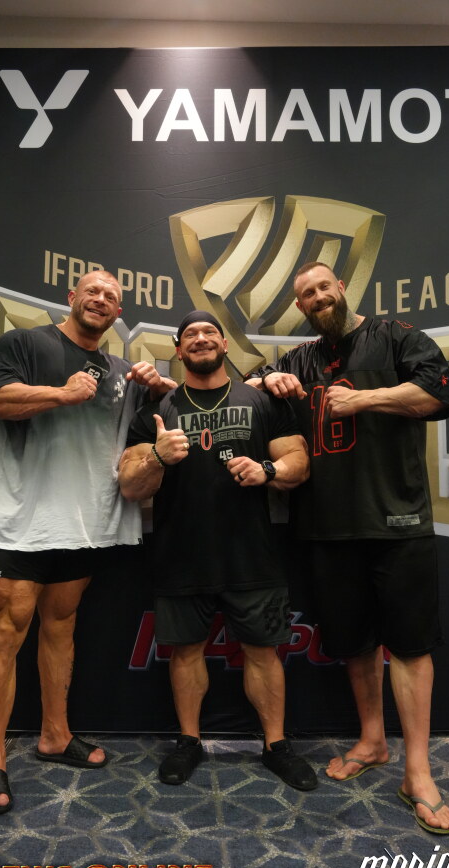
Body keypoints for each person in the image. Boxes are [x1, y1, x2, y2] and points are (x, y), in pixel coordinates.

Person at [247, 261, 449, 834]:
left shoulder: (396, 336)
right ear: (301, 307)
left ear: (341, 287)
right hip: (326, 526)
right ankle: (372, 741)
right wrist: (268, 382)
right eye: (306, 295)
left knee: (410, 647)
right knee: (355, 644)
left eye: (323, 287)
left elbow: (437, 392)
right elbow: (248, 385)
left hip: (398, 520)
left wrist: (364, 400)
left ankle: (418, 771)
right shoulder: (300, 359)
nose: (317, 297)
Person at [0, 270, 175, 814]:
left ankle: (55, 735)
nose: (101, 299)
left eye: (111, 296)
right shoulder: (25, 342)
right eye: (92, 291)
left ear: (118, 312)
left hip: (81, 524)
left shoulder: (119, 371)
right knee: (6, 634)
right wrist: (62, 394)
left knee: (61, 628)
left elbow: (148, 430)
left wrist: (156, 389)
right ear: (72, 297)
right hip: (20, 523)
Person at [118, 310, 317, 791]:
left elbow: (299, 462)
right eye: (190, 335)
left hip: (252, 554)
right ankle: (189, 742)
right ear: (178, 350)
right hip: (181, 553)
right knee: (186, 653)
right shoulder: (159, 409)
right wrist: (158, 456)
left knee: (264, 653)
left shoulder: (260, 399)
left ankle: (276, 745)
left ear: (225, 345)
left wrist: (268, 471)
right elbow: (129, 484)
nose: (201, 339)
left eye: (210, 332)